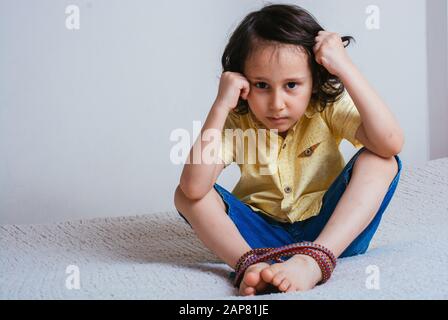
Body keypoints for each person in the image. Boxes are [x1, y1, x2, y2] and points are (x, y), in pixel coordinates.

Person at [174, 3, 403, 296]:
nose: (277, 103)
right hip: (260, 238)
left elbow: (390, 142)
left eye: (292, 84)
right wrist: (220, 105)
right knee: (185, 193)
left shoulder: (325, 107)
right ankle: (251, 264)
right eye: (262, 85)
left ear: (315, 80)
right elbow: (194, 188)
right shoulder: (238, 120)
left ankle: (314, 261)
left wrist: (345, 67)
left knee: (382, 160)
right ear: (243, 81)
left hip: (330, 231)